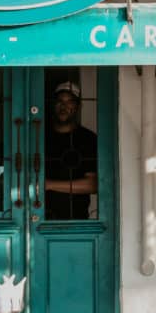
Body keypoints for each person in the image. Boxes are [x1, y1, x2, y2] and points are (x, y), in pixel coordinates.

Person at [44, 80, 98, 220]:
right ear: (53, 104)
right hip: (38, 220)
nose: (64, 106)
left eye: (70, 101)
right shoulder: (40, 137)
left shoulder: (88, 139)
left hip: (75, 221)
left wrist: (48, 184)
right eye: (60, 100)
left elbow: (93, 185)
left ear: (78, 106)